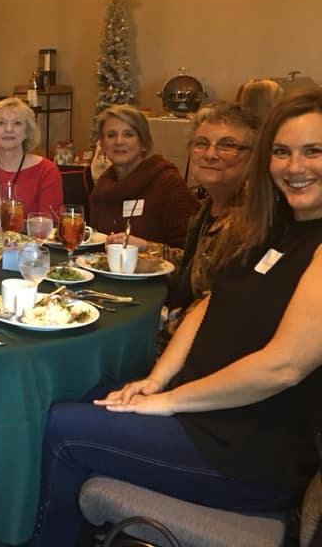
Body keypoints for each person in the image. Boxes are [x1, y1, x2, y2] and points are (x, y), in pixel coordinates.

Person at [27, 88, 322, 546]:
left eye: (314, 151)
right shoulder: (273, 225)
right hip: (204, 414)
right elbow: (209, 303)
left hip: (246, 453)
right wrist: (158, 380)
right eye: (282, 152)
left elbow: (282, 366)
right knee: (87, 397)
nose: (295, 166)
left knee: (62, 427)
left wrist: (167, 402)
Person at [121, 103, 259, 317]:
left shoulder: (250, 222)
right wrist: (146, 249)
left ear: (253, 156)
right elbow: (195, 266)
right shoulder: (210, 207)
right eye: (201, 143)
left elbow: (220, 307)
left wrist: (164, 326)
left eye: (227, 145)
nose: (210, 154)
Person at [89, 105, 198, 249]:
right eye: (111, 135)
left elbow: (192, 255)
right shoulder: (102, 189)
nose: (119, 141)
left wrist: (147, 247)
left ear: (144, 144)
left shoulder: (168, 184)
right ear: (102, 145)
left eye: (128, 134)